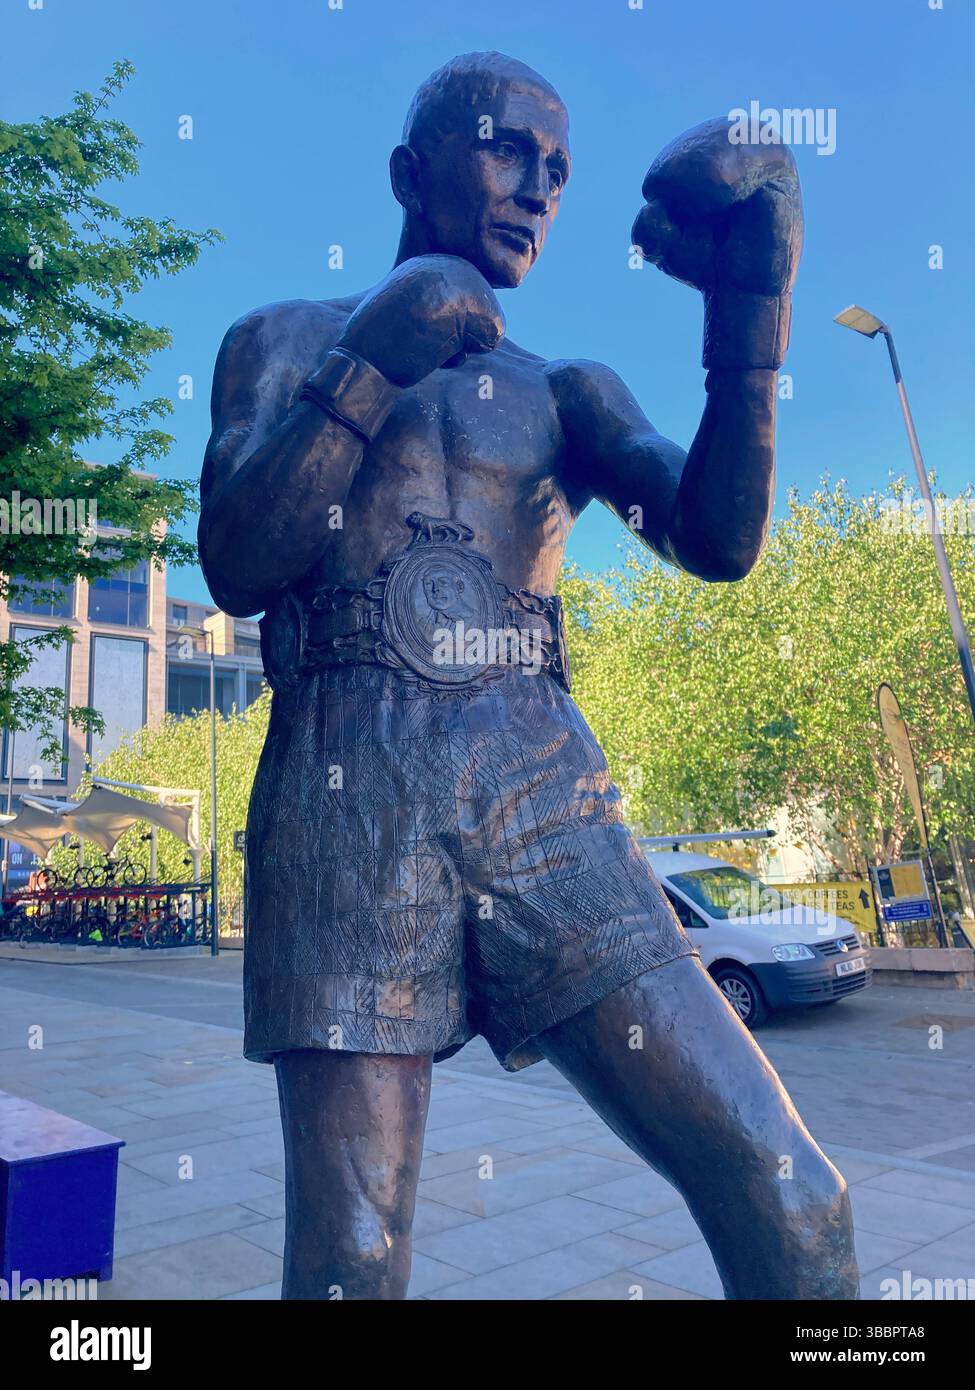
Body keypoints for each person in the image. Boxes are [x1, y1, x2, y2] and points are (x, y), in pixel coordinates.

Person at [199, 52, 857, 1301]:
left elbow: (715, 539)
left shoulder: (566, 392)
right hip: (350, 788)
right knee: (348, 1262)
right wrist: (366, 366)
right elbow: (239, 559)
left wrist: (749, 314)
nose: (537, 190)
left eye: (557, 172)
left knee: (794, 1193)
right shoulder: (280, 339)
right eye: (508, 150)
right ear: (411, 172)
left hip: (542, 789)